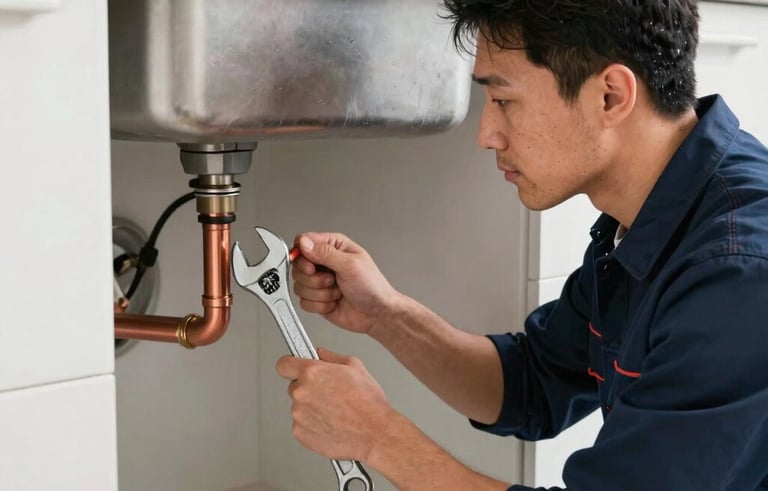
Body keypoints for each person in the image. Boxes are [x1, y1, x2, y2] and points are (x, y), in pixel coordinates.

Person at [276, 1, 768, 489]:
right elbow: (532, 385)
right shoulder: (653, 219)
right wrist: (385, 315)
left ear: (611, 97)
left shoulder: (736, 273)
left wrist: (377, 437)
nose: (486, 135)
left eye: (503, 100)